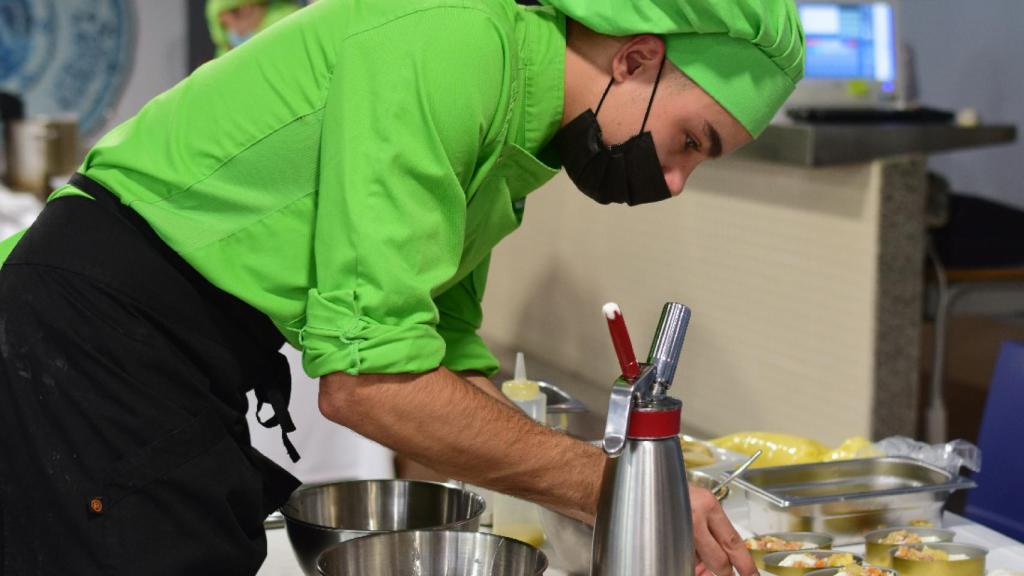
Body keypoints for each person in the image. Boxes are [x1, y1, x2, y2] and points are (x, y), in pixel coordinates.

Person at [0, 0, 804, 574]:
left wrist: (616, 500)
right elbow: (373, 384)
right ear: (635, 58)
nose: (673, 180)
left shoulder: (519, 125)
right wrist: (614, 489)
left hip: (168, 349)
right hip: (93, 331)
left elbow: (441, 356)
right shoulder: (451, 42)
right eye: (689, 142)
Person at [207, 0, 301, 55]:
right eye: (223, 24)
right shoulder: (222, 55)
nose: (231, 25)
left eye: (235, 12)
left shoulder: (293, 35)